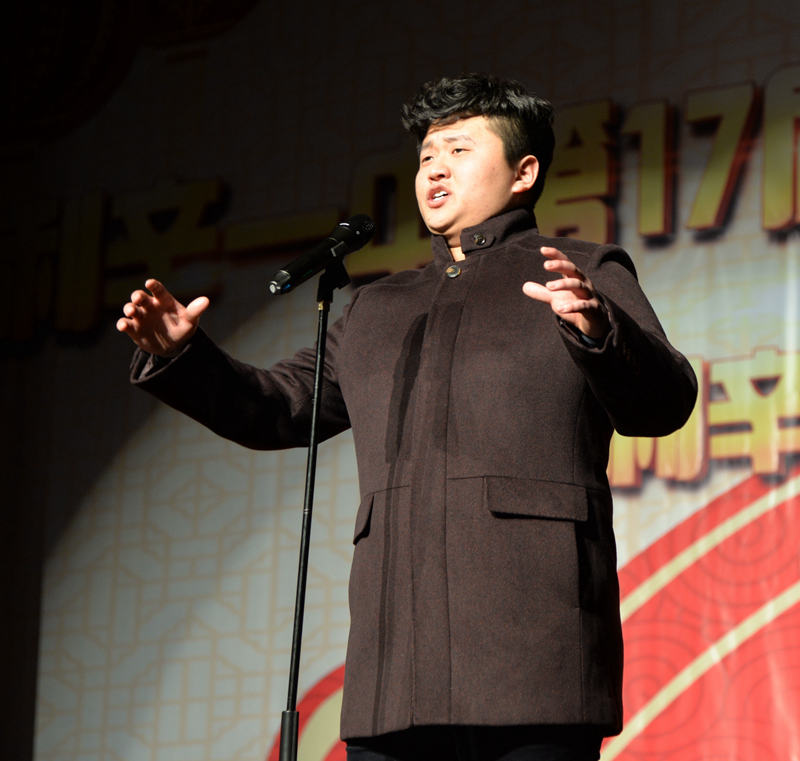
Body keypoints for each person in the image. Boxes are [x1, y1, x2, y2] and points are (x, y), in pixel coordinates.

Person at [118, 74, 697, 761]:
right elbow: (277, 407)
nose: (435, 170)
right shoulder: (375, 309)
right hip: (395, 670)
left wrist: (600, 332)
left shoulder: (579, 272)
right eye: (426, 156)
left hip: (536, 653)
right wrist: (185, 356)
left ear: (524, 172)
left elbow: (666, 402)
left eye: (458, 150)